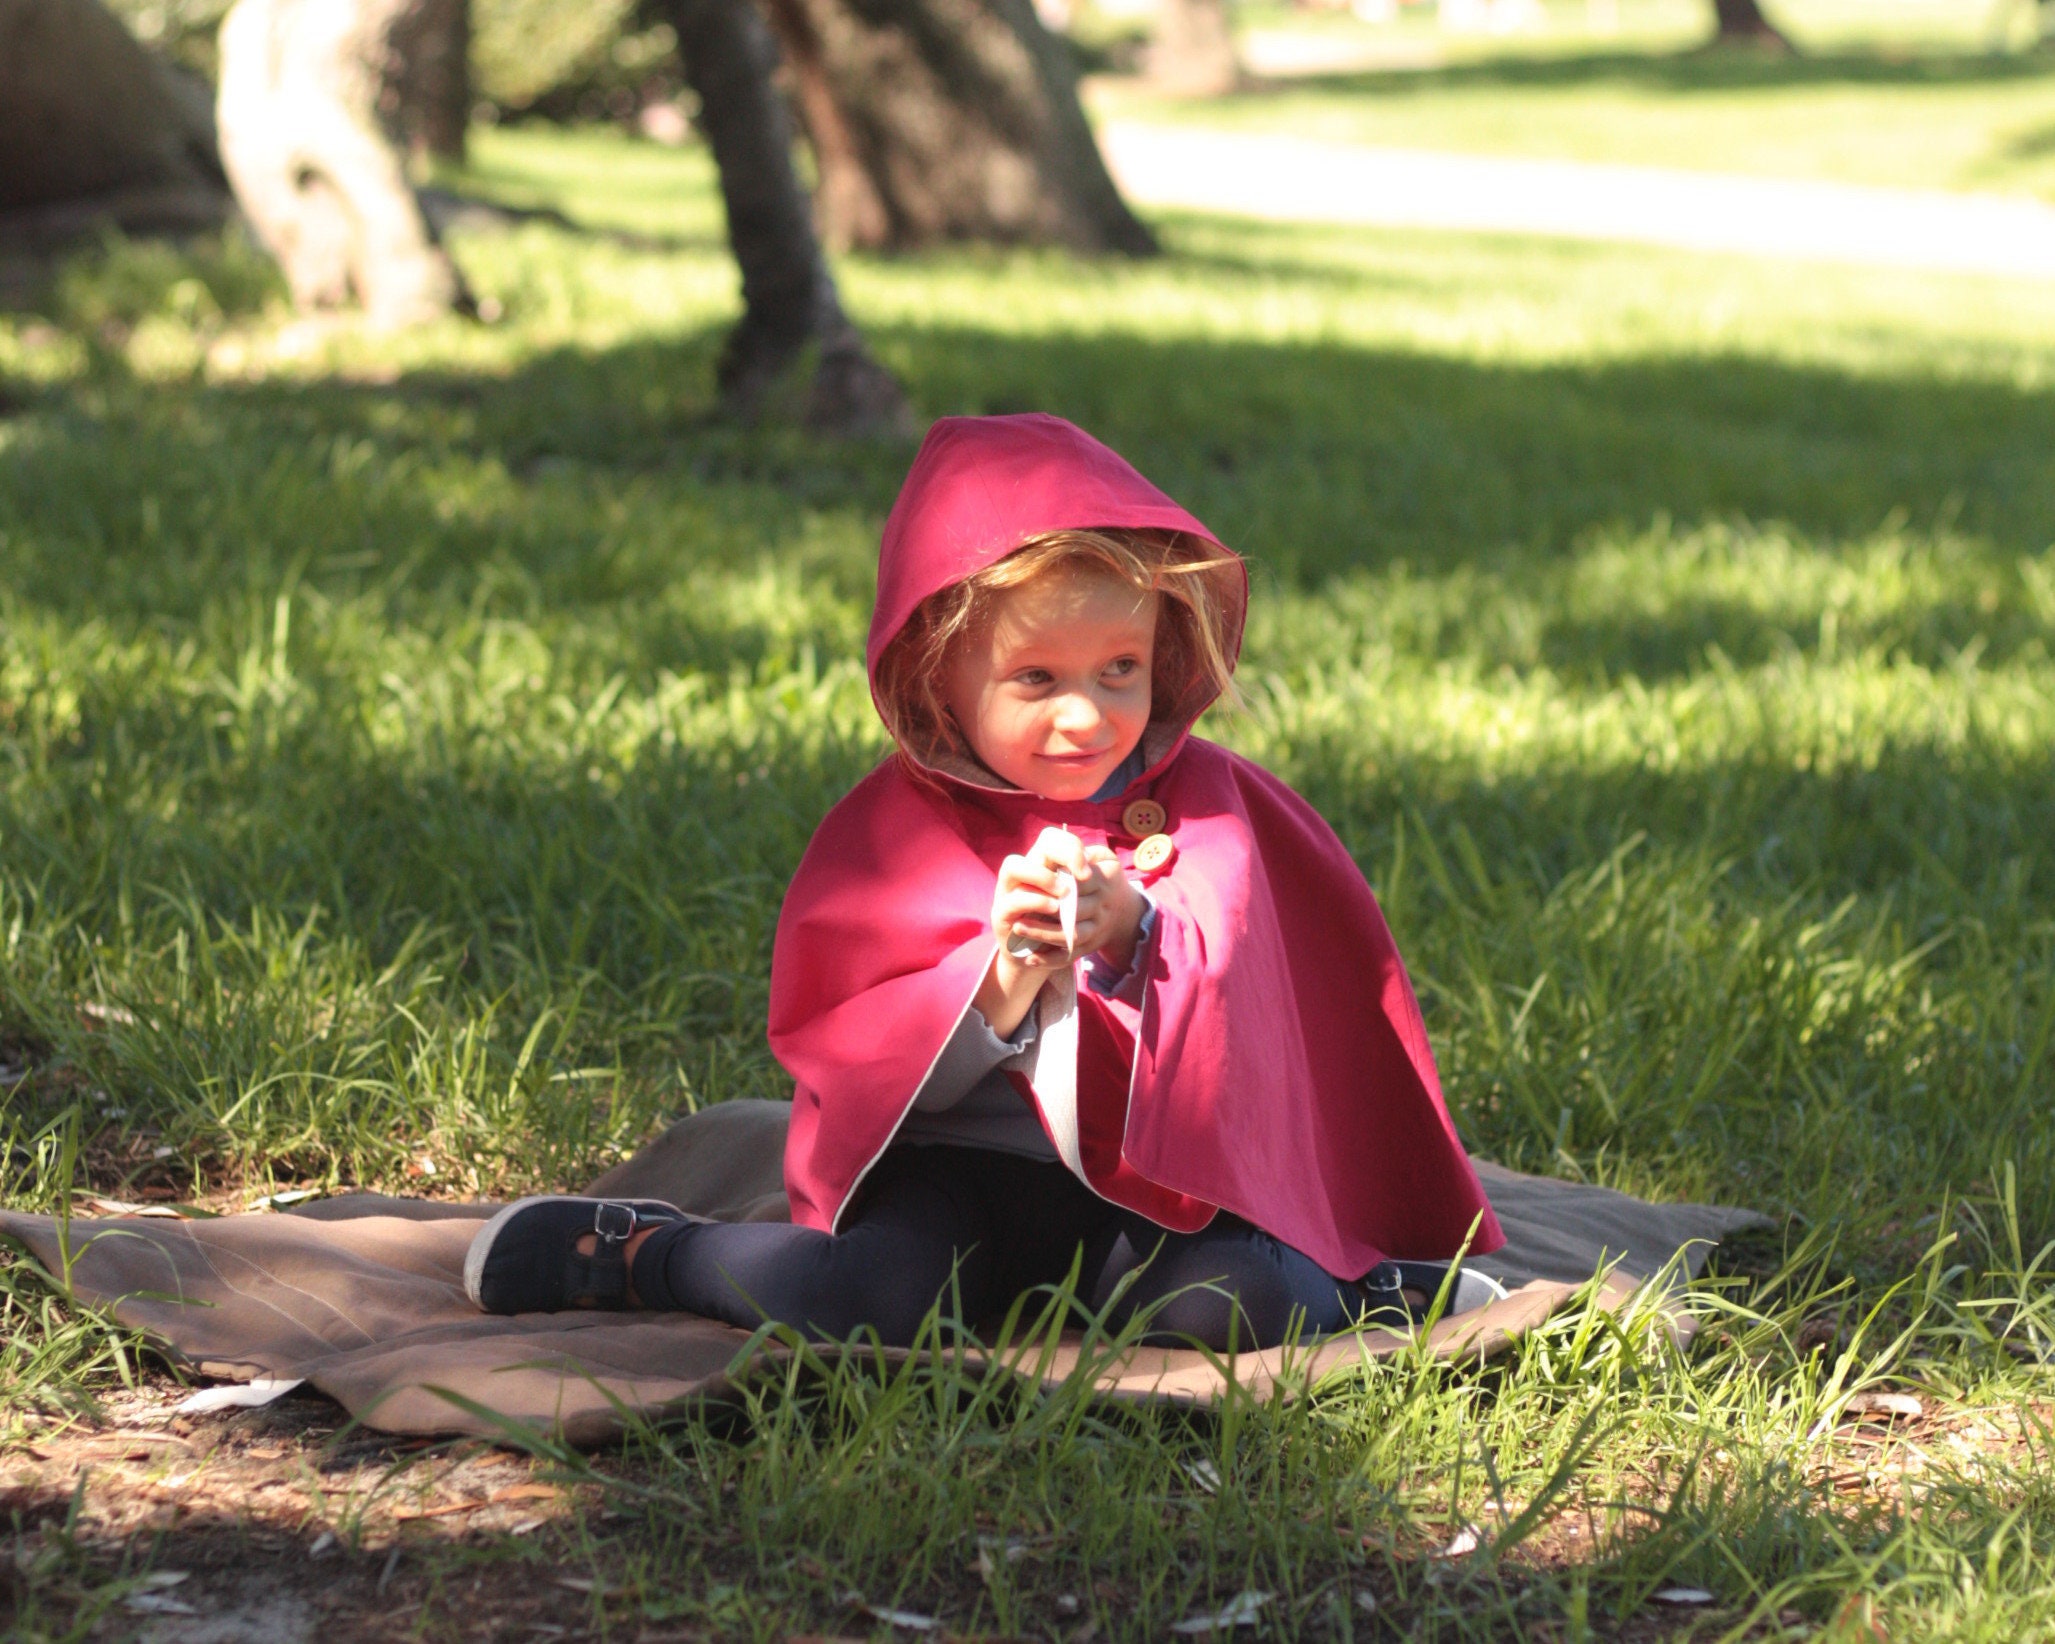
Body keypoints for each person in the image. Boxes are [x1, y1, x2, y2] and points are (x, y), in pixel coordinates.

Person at [464, 414, 1506, 1350]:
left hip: (1159, 1188)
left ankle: (1359, 1286)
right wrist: (999, 978)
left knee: (1237, 1305)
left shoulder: (1214, 807)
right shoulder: (898, 831)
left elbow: (1263, 1003)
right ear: (939, 679)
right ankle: (650, 1256)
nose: (1086, 717)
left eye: (1119, 671)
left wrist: (1143, 935)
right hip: (950, 1179)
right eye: (1035, 679)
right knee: (870, 1299)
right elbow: (856, 1039)